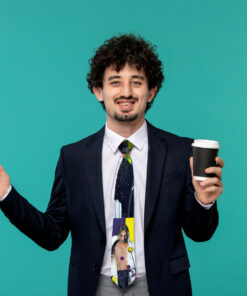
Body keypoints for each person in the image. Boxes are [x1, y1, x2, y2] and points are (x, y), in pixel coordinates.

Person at [0, 34, 224, 296]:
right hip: (96, 287)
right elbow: (52, 234)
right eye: (115, 82)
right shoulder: (73, 158)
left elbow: (200, 233)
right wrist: (6, 194)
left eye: (136, 82)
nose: (126, 92)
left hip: (162, 286)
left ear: (151, 91)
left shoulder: (181, 152)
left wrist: (204, 202)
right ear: (98, 91)